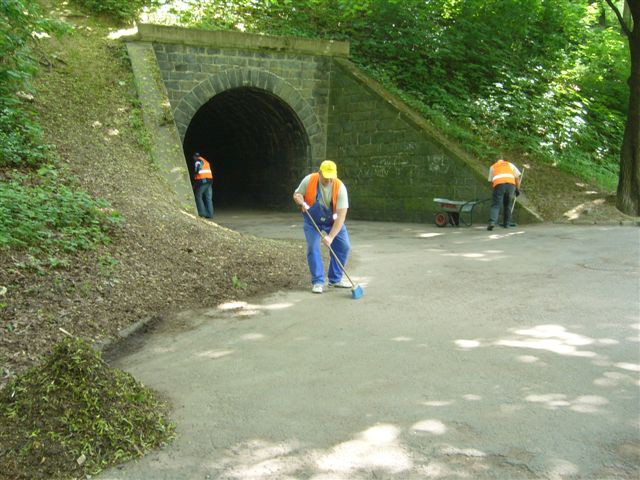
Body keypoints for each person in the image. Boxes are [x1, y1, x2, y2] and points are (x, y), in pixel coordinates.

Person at [293, 160, 351, 294]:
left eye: (331, 178)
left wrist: (330, 237)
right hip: (312, 220)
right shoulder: (309, 180)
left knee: (344, 246)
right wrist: (298, 198)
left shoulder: (340, 188)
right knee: (313, 247)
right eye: (326, 178)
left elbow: (341, 216)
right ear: (319, 173)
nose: (329, 181)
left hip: (332, 222)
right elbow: (297, 194)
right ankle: (318, 281)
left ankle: (335, 280)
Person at [487, 157, 521, 231]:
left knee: (496, 205)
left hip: (499, 185)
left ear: (496, 161)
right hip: (511, 185)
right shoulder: (510, 164)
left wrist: (495, 190)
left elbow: (491, 181)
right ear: (503, 160)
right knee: (507, 205)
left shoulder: (493, 166)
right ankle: (507, 224)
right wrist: (517, 189)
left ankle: (492, 222)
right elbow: (517, 177)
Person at [193, 152, 214, 219]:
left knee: (198, 196)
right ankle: (210, 214)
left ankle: (202, 213)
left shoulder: (198, 161)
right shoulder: (206, 161)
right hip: (210, 181)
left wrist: (194, 175)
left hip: (203, 181)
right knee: (209, 198)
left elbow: (197, 169)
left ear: (194, 157)